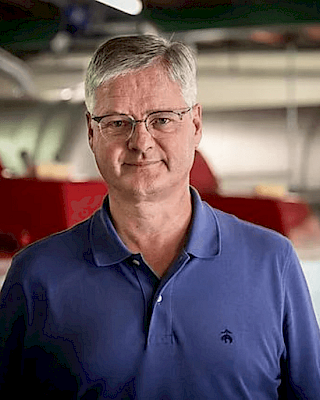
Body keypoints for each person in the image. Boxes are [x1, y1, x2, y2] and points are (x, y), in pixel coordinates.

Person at [0, 34, 319, 399]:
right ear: (91, 132)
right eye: (118, 122)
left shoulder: (271, 263)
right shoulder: (36, 276)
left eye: (162, 119)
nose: (141, 141)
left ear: (195, 125)